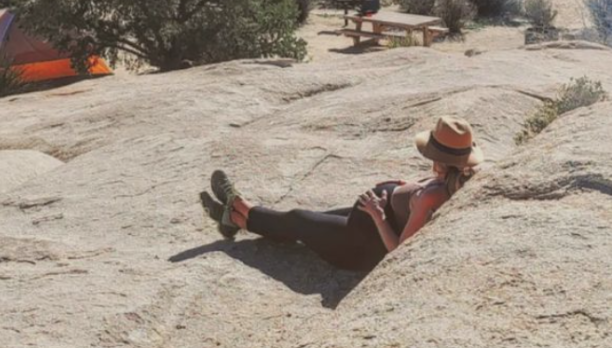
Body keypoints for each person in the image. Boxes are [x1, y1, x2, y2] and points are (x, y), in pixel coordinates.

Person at [200, 116, 482, 273]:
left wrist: (378, 213)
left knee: (298, 221)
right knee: (301, 220)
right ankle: (232, 216)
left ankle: (237, 210)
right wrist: (405, 187)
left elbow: (399, 252)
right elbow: (421, 199)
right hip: (363, 224)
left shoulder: (434, 196)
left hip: (359, 244)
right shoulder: (450, 180)